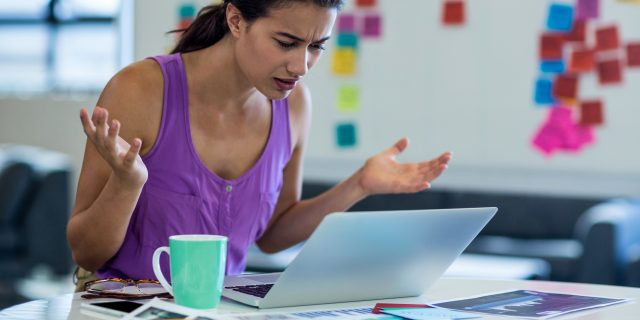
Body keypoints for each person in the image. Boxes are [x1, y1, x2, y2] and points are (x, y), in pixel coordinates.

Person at [67, 0, 452, 289]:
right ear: (236, 20)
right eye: (286, 42)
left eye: (317, 46)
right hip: (118, 309)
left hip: (216, 309)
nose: (301, 66)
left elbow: (272, 236)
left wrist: (359, 185)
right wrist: (127, 183)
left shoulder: (295, 106)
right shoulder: (139, 91)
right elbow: (86, 252)